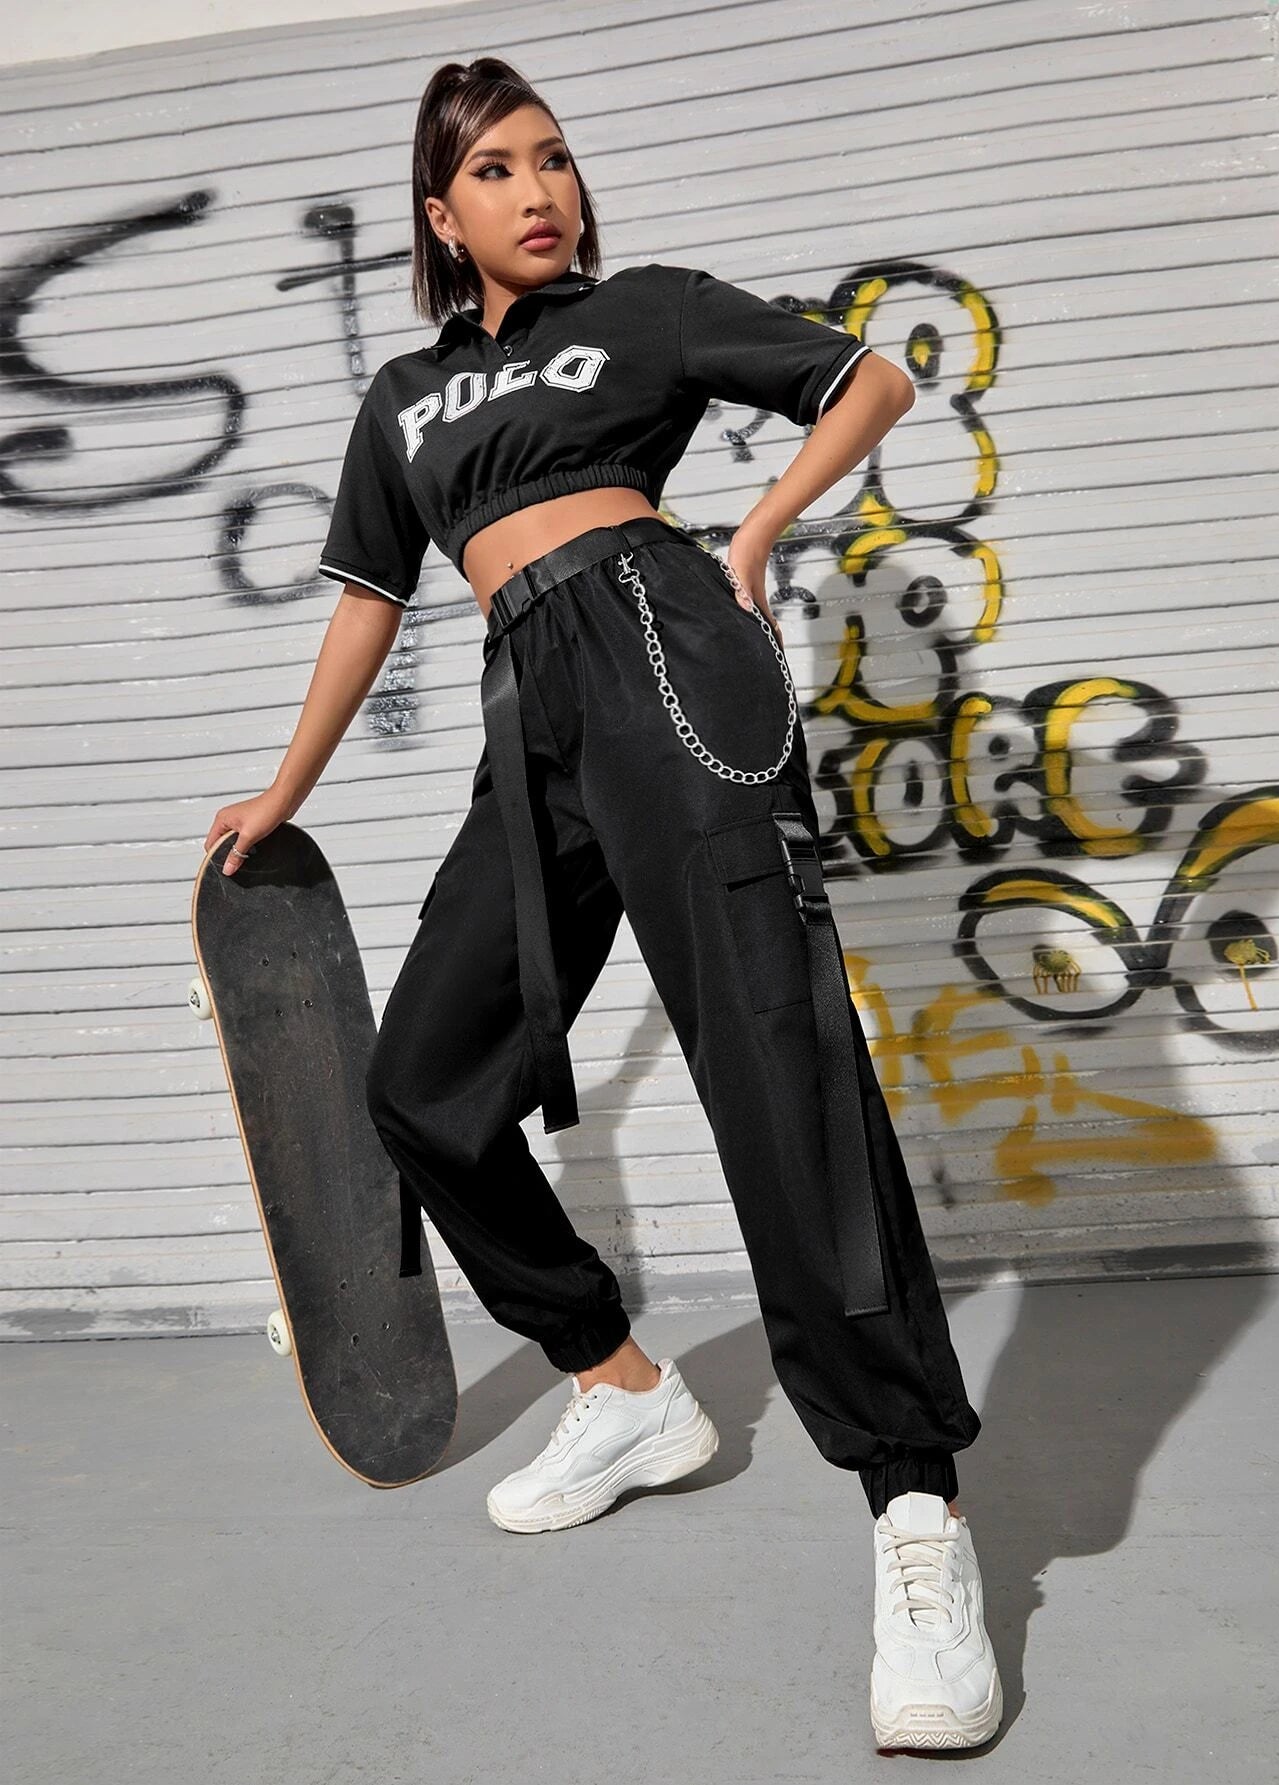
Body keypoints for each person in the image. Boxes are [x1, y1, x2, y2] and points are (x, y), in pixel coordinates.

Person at [203, 55, 1001, 1754]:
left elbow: (867, 379)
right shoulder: (404, 398)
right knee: (425, 1083)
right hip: (529, 712)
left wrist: (757, 533)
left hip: (663, 651)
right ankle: (620, 1385)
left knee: (778, 1070)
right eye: (497, 168)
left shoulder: (643, 312)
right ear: (441, 213)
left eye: (554, 157)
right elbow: (365, 603)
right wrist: (287, 792)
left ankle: (915, 1508)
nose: (539, 189)